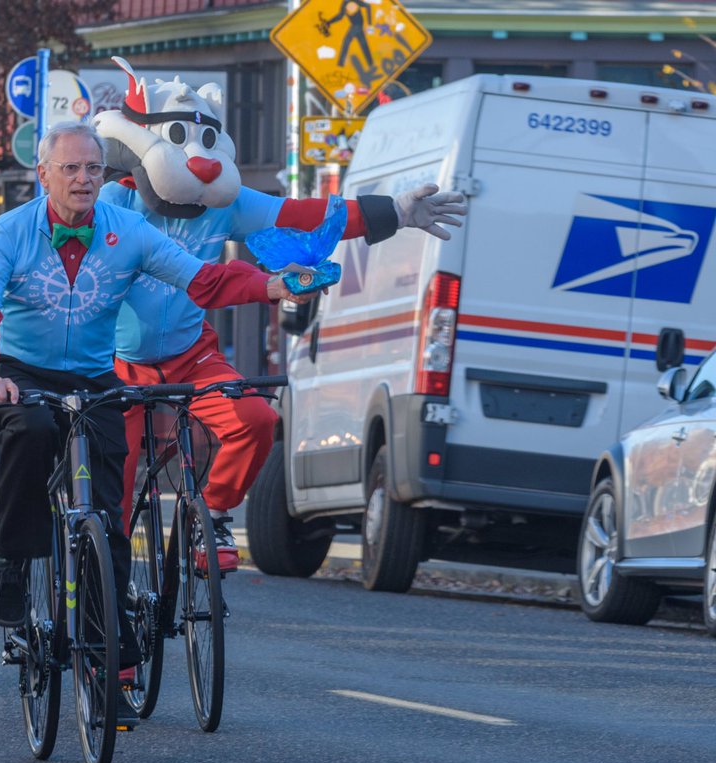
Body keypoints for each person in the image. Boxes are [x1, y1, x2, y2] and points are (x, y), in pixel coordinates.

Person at [0, 122, 313, 679]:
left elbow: (203, 280)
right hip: (20, 372)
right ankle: (13, 559)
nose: (83, 179)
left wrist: (270, 285)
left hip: (94, 376)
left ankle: (106, 635)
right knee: (32, 432)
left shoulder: (129, 230)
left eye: (93, 169)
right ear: (43, 174)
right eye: (70, 168)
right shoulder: (9, 231)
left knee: (108, 512)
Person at [93, 61, 468, 573]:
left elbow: (304, 215)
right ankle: (106, 593)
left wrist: (397, 213)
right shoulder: (112, 203)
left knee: (257, 420)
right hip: (114, 362)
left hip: (190, 355)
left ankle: (212, 516)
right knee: (111, 489)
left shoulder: (221, 204)